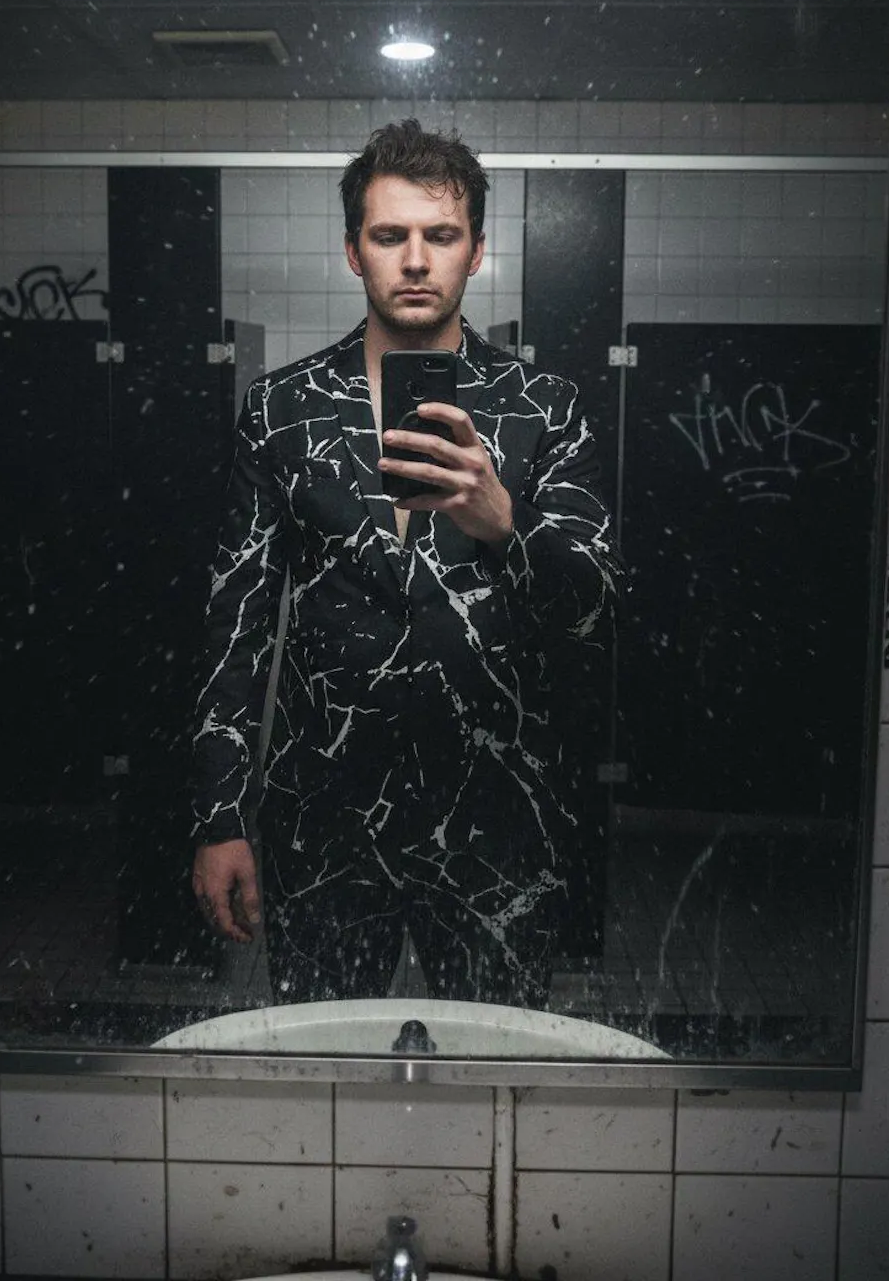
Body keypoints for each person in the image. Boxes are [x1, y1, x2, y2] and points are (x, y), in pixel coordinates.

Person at [191, 119, 620, 1008]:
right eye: (390, 235)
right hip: (326, 817)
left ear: (477, 253)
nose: (416, 260)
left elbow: (593, 611)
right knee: (328, 1060)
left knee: (495, 1062)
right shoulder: (284, 408)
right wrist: (219, 816)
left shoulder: (545, 408)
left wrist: (502, 521)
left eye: (441, 235)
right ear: (354, 251)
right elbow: (236, 626)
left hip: (497, 819)